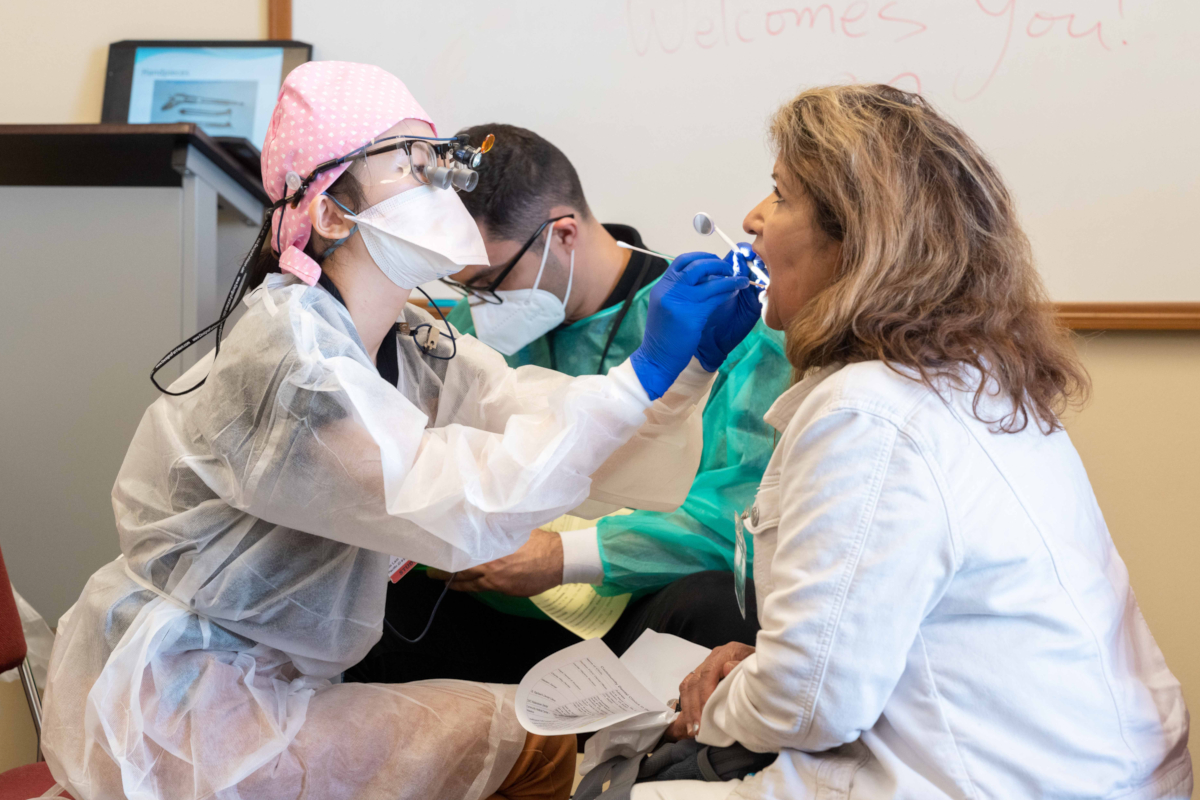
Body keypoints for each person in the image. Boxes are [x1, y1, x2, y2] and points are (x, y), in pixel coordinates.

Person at [37, 62, 757, 800]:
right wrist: (640, 377)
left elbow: (544, 423)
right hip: (186, 709)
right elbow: (466, 503)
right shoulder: (292, 363)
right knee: (534, 747)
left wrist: (685, 373)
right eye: (413, 164)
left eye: (436, 160)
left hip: (281, 684)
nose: (443, 184)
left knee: (537, 732)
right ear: (330, 214)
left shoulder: (413, 341)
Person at [624, 85, 1193, 799]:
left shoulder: (868, 412)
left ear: (859, 240)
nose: (752, 220)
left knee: (638, 783)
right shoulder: (967, 376)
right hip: (1087, 768)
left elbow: (811, 700)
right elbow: (838, 650)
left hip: (1010, 781)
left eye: (781, 195)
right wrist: (767, 668)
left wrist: (718, 707)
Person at [347, 125, 790, 686]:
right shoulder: (461, 336)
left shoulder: (723, 327)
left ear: (563, 234)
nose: (480, 310)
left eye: (490, 282)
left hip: (632, 614)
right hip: (484, 612)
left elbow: (739, 514)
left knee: (716, 604)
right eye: (467, 288)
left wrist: (562, 554)